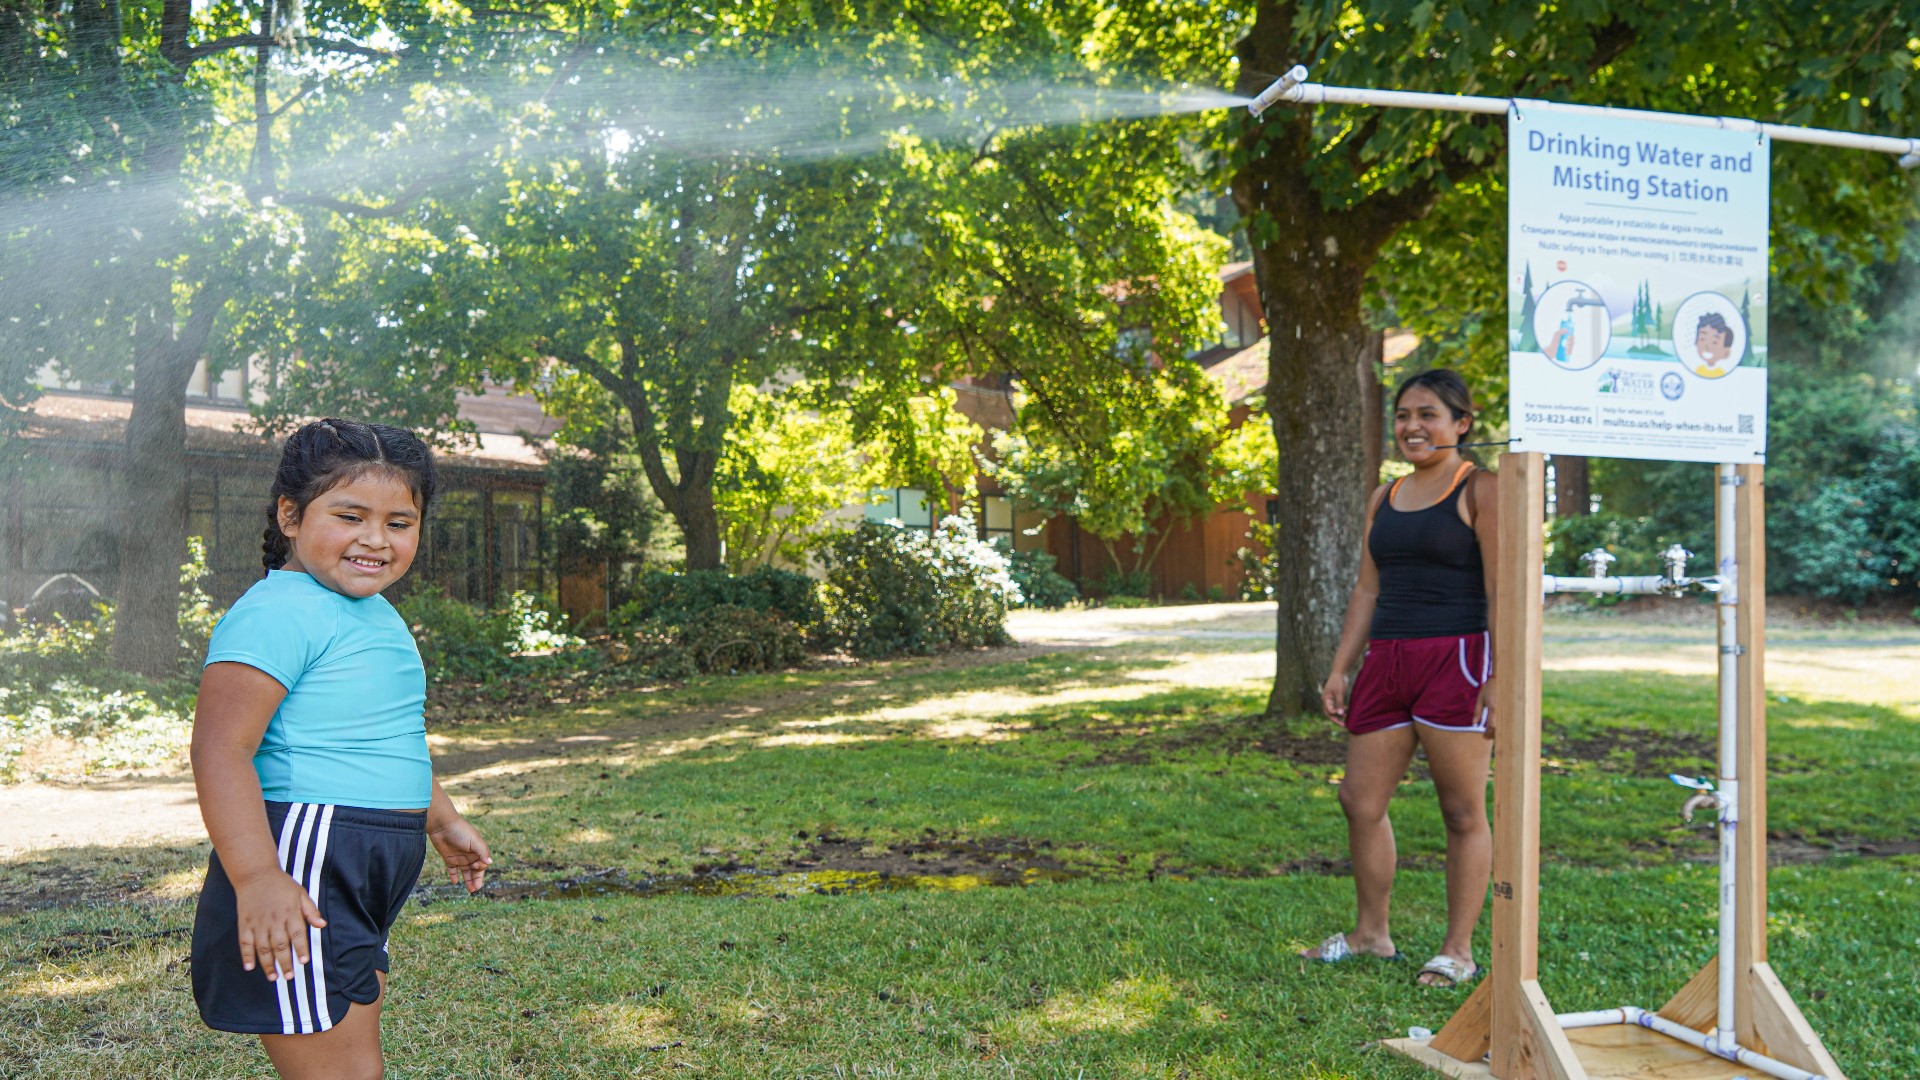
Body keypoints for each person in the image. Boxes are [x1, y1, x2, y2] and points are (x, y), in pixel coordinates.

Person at [190, 418, 493, 1079]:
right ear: (291, 516)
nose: (375, 540)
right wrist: (259, 877)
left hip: (366, 860)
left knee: (354, 1043)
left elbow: (386, 733)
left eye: (398, 522)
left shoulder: (373, 612)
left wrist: (438, 817)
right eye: (350, 515)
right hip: (308, 854)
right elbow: (220, 750)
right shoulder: (278, 612)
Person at [1303, 370, 1498, 990]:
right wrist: (1341, 666)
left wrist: (1499, 676)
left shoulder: (1482, 489)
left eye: (1429, 415)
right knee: (1359, 801)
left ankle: (1457, 951)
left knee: (1462, 810)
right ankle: (1370, 935)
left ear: (1462, 424)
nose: (1413, 426)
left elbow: (1503, 591)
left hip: (1458, 659)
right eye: (1404, 414)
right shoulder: (1384, 498)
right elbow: (1367, 586)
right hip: (1387, 660)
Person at [1692, 312, 1735, 377]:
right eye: (1702, 339)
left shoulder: (1722, 373)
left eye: (1715, 342)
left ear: (1726, 352)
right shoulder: (1696, 370)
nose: (1707, 347)